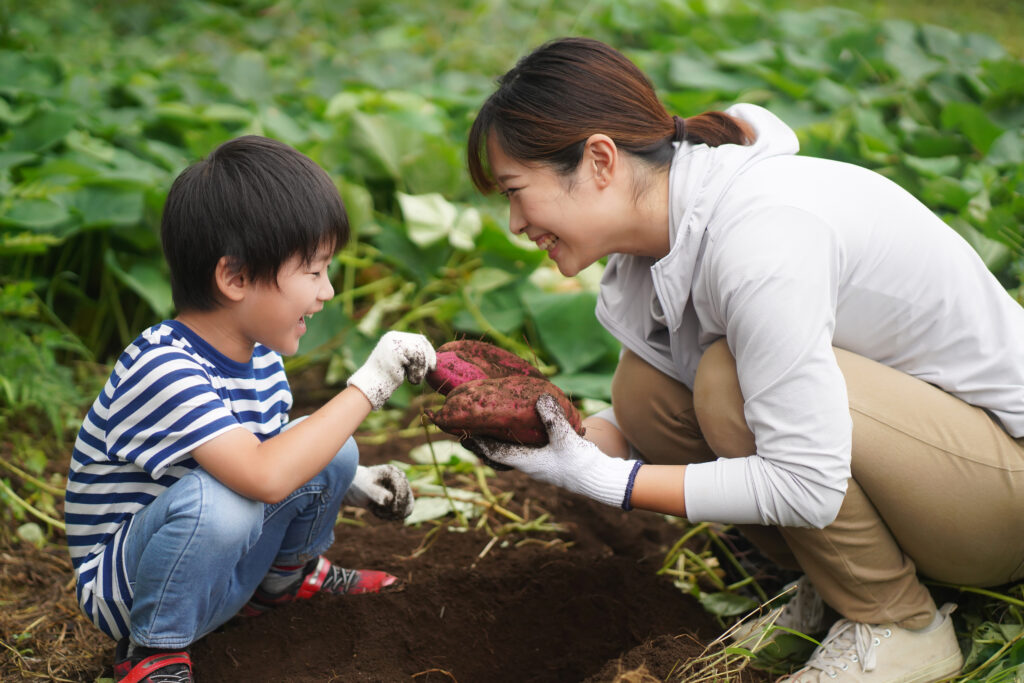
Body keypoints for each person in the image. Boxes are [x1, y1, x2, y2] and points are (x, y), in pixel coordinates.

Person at [463, 37, 1024, 682]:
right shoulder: (660, 244)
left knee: (727, 384)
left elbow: (807, 483)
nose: (513, 222)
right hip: (931, 467)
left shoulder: (761, 235)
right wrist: (551, 440)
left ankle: (900, 625)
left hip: (1001, 495)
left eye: (515, 190)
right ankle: (831, 583)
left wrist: (605, 482)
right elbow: (642, 427)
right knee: (647, 392)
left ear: (598, 160)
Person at [65, 135, 436, 683]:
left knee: (332, 448)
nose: (328, 291)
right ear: (235, 277)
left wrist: (350, 480)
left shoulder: (260, 358)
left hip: (222, 574)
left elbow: (271, 454)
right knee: (230, 502)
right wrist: (374, 381)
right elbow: (261, 476)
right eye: (313, 271)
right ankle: (151, 654)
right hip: (135, 590)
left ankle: (284, 583)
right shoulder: (163, 367)